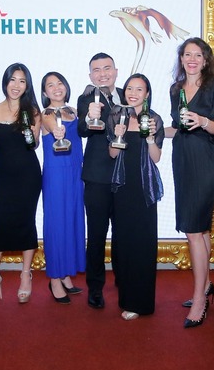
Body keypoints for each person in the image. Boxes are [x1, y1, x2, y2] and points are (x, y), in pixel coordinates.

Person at [165, 37, 214, 328]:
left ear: (205, 60)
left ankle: (199, 299)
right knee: (200, 230)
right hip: (182, 158)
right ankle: (206, 284)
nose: (192, 59)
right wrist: (148, 127)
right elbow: (176, 128)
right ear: (181, 59)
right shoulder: (175, 89)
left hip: (205, 159)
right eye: (187, 54)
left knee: (193, 228)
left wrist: (202, 121)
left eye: (197, 55)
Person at [0, 63, 43, 306]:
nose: (16, 85)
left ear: (27, 85)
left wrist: (31, 132)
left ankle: (25, 275)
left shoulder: (33, 111)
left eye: (22, 81)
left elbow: (34, 144)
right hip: (3, 176)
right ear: (5, 82)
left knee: (26, 222)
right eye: (12, 80)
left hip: (29, 176)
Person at [108, 73, 165, 320]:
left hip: (144, 188)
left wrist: (150, 138)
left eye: (139, 89)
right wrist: (117, 136)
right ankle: (126, 297)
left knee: (143, 243)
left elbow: (156, 158)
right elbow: (112, 154)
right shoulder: (116, 115)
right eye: (130, 88)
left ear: (147, 94)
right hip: (122, 187)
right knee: (124, 241)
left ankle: (142, 302)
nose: (133, 93)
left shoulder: (154, 119)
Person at [77, 52, 125, 309]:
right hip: (97, 177)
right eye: (96, 70)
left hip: (126, 176)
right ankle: (95, 287)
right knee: (96, 234)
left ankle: (123, 278)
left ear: (116, 71)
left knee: (123, 232)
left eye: (107, 68)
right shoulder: (86, 99)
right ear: (90, 75)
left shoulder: (129, 95)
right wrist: (89, 116)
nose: (102, 74)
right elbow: (83, 129)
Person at [39, 71, 86, 304]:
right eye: (50, 85)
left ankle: (66, 274)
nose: (56, 88)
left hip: (76, 173)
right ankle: (55, 279)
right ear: (44, 92)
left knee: (73, 221)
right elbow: (53, 125)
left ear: (66, 86)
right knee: (57, 224)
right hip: (56, 175)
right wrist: (58, 131)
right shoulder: (45, 114)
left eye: (59, 83)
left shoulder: (74, 111)